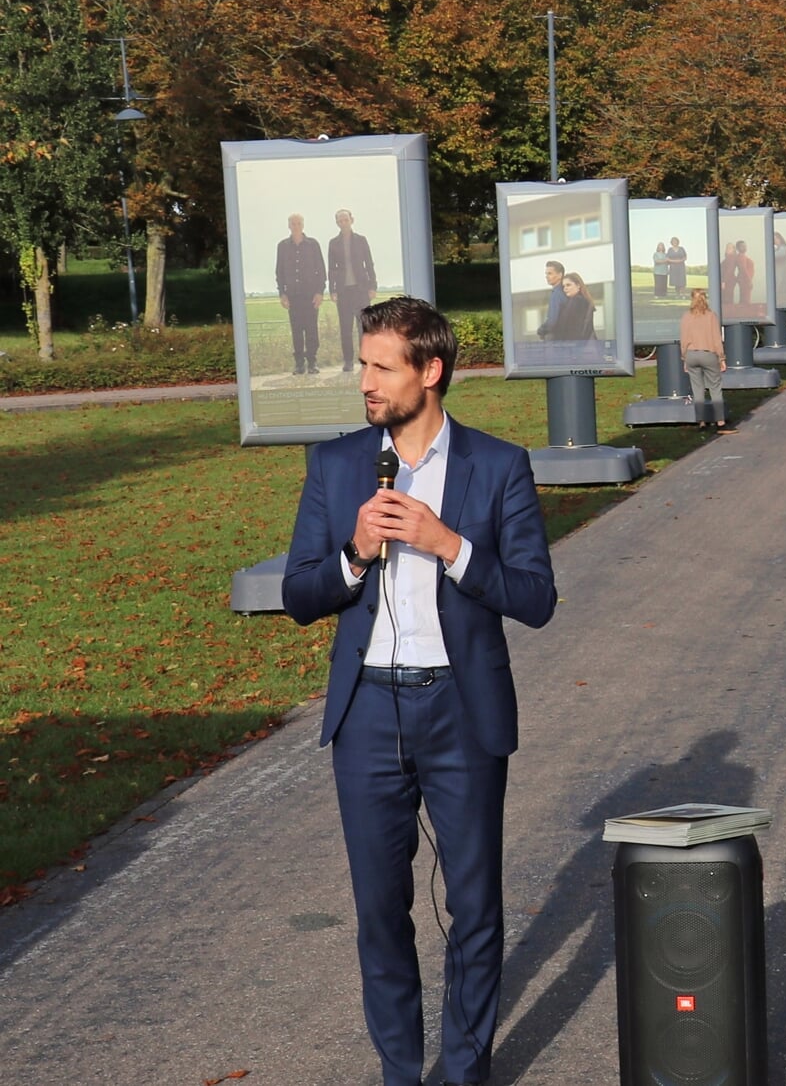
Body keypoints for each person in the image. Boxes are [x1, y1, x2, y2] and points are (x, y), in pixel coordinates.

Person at [281, 296, 558, 1086]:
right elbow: (301, 595)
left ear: (430, 372)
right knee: (379, 912)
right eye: (362, 364)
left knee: (474, 909)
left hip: (461, 711)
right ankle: (401, 1073)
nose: (365, 381)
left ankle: (465, 1071)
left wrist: (449, 546)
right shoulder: (335, 465)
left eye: (381, 366)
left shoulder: (497, 466)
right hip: (366, 711)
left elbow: (535, 598)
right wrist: (356, 554)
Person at [276, 213, 327, 375]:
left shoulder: (313, 245)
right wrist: (282, 294)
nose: (296, 226)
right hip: (293, 296)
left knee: (311, 330)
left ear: (303, 225)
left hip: (311, 296)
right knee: (296, 331)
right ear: (288, 225)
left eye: (298, 223)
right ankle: (299, 364)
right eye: (293, 223)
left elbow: (321, 271)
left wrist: (320, 292)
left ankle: (312, 362)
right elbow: (280, 272)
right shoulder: (282, 246)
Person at [329, 209, 378, 374]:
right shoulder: (333, 243)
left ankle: (365, 360)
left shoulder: (361, 240)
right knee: (345, 328)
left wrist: (373, 286)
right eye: (340, 220)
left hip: (361, 290)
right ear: (337, 223)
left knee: (364, 327)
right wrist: (332, 290)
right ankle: (348, 361)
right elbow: (332, 269)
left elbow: (369, 264)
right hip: (343, 292)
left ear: (352, 220)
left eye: (345, 219)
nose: (343, 223)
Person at [679, 287, 730, 432]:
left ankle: (701, 422)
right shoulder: (711, 316)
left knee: (697, 389)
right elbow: (716, 339)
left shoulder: (686, 317)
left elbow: (684, 340)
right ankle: (720, 421)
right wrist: (722, 358)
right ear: (705, 299)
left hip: (691, 355)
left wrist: (684, 358)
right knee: (715, 388)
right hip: (708, 354)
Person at [552, 272, 595, 340]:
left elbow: (570, 330)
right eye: (563, 286)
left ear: (578, 285)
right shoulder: (584, 301)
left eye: (568, 285)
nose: (565, 288)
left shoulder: (577, 301)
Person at [533, 260, 566, 339]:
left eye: (550, 273)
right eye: (546, 274)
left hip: (556, 339)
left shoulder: (557, 294)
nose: (547, 276)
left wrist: (541, 330)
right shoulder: (565, 291)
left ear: (560, 275)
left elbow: (552, 321)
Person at [733, 240, 756, 310]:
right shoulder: (740, 256)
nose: (745, 247)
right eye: (742, 246)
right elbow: (743, 269)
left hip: (744, 279)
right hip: (744, 280)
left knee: (744, 298)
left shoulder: (743, 256)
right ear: (737, 248)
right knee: (745, 299)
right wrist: (749, 280)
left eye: (745, 245)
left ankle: (743, 312)